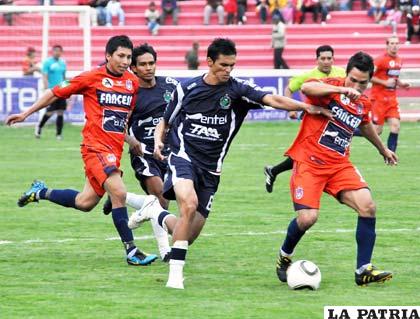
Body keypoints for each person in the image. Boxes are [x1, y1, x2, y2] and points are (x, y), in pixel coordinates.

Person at [128, 38, 332, 289]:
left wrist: (304, 107)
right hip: (183, 157)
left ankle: (154, 211)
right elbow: (166, 120)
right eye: (223, 65)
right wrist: (159, 141)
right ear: (210, 62)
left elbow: (273, 100)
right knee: (188, 205)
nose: (228, 70)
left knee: (188, 234)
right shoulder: (186, 88)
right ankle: (175, 277)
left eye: (232, 65)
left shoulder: (238, 91)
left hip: (212, 169)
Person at [6, 35, 158, 267]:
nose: (126, 61)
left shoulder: (132, 83)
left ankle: (41, 192)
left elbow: (120, 117)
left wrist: (130, 139)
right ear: (108, 56)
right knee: (118, 192)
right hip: (95, 148)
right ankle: (132, 251)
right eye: (121, 56)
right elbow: (54, 92)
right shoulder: (91, 77)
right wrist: (27, 114)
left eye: (128, 57)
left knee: (85, 202)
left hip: (113, 150)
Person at [275, 51, 398, 287]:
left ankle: (363, 270)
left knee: (368, 206)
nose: (357, 86)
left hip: (339, 165)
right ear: (346, 74)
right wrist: (342, 90)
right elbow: (308, 88)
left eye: (363, 82)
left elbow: (365, 125)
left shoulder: (363, 102)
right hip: (309, 163)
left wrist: (383, 149)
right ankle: (284, 255)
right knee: (308, 218)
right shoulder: (331, 87)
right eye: (353, 79)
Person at [102, 43, 178, 261]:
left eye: (151, 63)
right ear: (133, 68)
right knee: (161, 200)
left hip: (170, 152)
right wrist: (130, 139)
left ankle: (123, 198)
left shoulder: (170, 86)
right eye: (142, 64)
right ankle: (166, 252)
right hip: (144, 154)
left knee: (158, 204)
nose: (148, 68)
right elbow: (117, 122)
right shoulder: (129, 92)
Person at [264, 45, 346, 193]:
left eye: (329, 58)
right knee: (309, 153)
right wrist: (291, 109)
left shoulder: (341, 73)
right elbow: (289, 89)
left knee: (310, 153)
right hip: (313, 119)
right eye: (323, 58)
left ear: (333, 59)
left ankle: (274, 171)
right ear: (317, 60)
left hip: (333, 120)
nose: (326, 61)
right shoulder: (309, 76)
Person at [370, 36, 410, 153]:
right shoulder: (380, 60)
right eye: (392, 43)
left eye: (397, 43)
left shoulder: (399, 60)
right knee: (377, 131)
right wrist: (384, 82)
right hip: (378, 99)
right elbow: (368, 76)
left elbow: (393, 77)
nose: (394, 45)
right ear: (387, 45)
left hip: (391, 99)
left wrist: (402, 84)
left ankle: (391, 157)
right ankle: (350, 131)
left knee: (395, 126)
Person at [35, 45, 67, 140]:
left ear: (61, 52)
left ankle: (58, 134)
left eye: (59, 51)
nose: (57, 52)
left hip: (62, 90)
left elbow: (64, 77)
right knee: (49, 112)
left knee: (60, 112)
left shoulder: (62, 63)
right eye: (55, 51)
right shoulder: (48, 62)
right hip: (52, 91)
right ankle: (39, 127)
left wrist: (67, 88)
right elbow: (44, 75)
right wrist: (46, 88)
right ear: (52, 52)